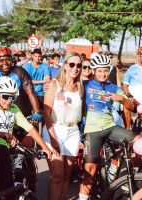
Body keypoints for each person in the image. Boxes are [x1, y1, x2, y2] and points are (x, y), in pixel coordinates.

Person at [79, 53, 142, 200]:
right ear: (93, 71)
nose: (103, 73)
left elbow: (131, 106)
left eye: (106, 70)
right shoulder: (85, 85)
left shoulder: (113, 87)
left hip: (110, 127)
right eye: (99, 70)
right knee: (89, 169)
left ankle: (129, 178)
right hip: (92, 131)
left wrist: (122, 98)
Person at [44, 52, 83, 200]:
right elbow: (46, 112)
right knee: (57, 175)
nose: (75, 68)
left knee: (67, 175)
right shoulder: (54, 84)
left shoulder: (80, 87)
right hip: (55, 128)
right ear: (65, 65)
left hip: (73, 131)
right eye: (72, 64)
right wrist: (53, 139)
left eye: (78, 65)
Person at [0, 47, 42, 130]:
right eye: (1, 60)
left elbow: (31, 93)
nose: (5, 63)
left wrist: (37, 112)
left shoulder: (20, 71)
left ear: (12, 60)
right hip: (2, 119)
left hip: (22, 116)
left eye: (8, 59)